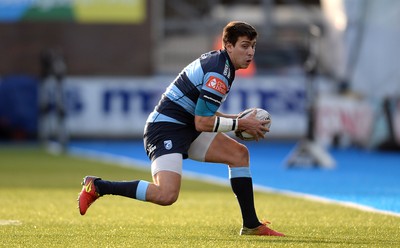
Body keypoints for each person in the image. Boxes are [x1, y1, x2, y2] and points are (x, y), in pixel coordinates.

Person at [78, 21, 284, 237]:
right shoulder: (219, 73)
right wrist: (240, 123)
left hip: (186, 126)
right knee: (166, 195)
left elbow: (201, 114)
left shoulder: (222, 64)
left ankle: (251, 225)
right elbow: (202, 123)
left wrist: (239, 120)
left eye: (253, 46)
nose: (250, 52)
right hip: (165, 128)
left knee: (239, 155)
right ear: (228, 46)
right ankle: (98, 186)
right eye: (244, 45)